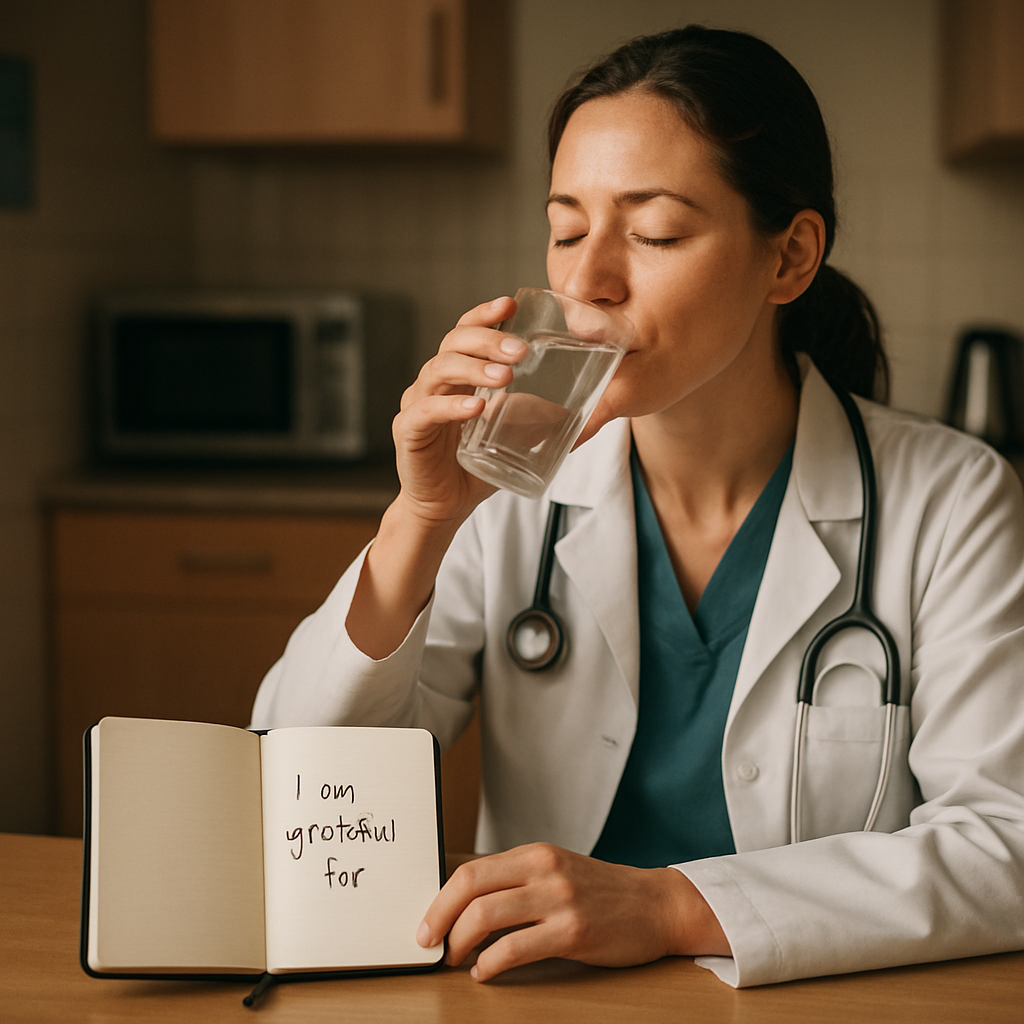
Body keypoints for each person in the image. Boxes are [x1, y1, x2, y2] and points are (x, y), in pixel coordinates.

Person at [250, 26, 1024, 986]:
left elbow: (1007, 847)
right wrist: (418, 521)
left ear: (790, 258)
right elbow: (298, 796)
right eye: (567, 229)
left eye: (652, 232)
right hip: (532, 1003)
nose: (584, 283)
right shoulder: (509, 490)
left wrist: (666, 906)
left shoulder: (951, 501)